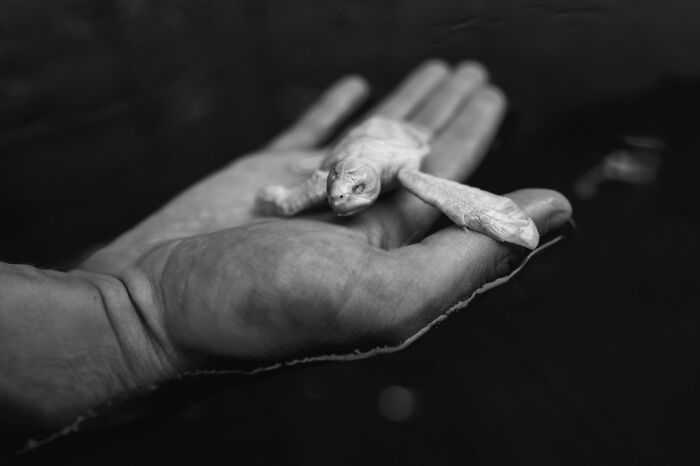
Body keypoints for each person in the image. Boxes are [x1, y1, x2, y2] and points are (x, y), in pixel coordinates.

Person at [0, 60, 571, 433]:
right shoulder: (333, 180)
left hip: (394, 146)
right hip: (353, 150)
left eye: (359, 191)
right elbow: (313, 191)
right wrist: (290, 195)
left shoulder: (400, 173)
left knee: (436, 197)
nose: (347, 200)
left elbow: (423, 185)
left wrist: (488, 211)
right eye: (342, 187)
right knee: (301, 190)